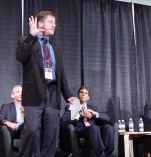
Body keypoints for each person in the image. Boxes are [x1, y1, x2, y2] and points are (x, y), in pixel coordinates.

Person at [16, 11, 74, 157]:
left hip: (53, 93)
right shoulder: (27, 41)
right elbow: (20, 56)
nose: (54, 25)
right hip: (34, 93)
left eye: (55, 22)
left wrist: (68, 95)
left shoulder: (56, 49)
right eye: (51, 22)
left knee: (51, 134)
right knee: (32, 130)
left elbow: (61, 75)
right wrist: (31, 36)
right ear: (40, 24)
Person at [60, 86, 114, 157]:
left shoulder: (93, 108)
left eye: (86, 93)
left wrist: (94, 114)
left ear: (88, 97)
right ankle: (100, 155)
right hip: (82, 131)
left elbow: (107, 119)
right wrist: (78, 114)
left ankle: (109, 155)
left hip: (95, 130)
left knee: (108, 128)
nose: (83, 94)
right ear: (78, 95)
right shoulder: (71, 107)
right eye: (81, 92)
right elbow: (63, 120)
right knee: (94, 128)